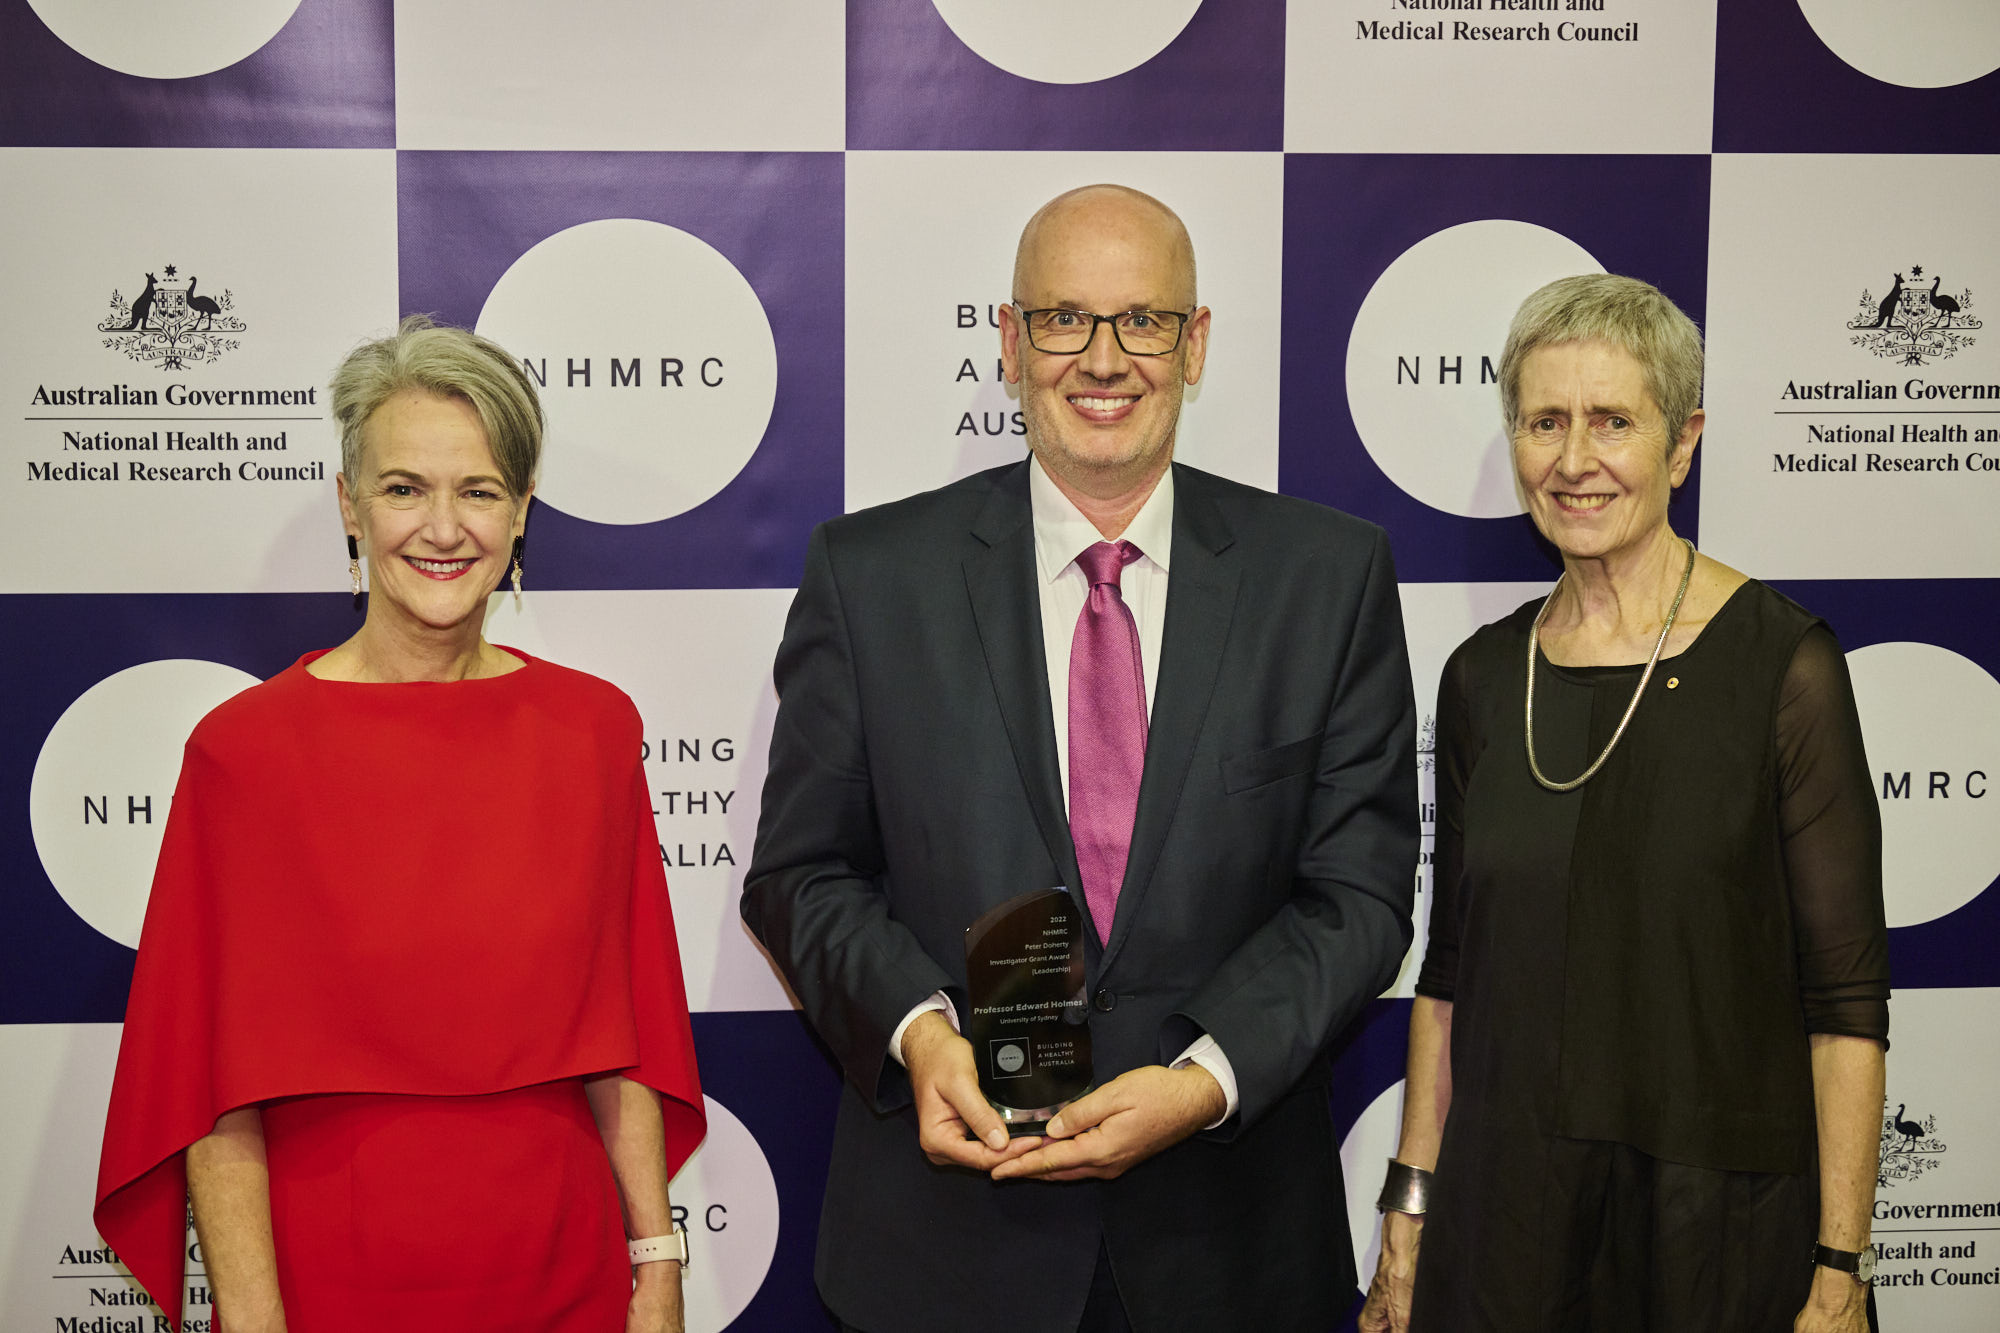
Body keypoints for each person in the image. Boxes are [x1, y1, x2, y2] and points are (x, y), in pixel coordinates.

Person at [743, 184, 1419, 1333]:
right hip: (948, 1251)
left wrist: (1203, 1079)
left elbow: (1355, 896)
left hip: (1229, 1246)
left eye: (1141, 321)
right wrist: (919, 1034)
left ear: (1193, 343)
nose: (1101, 360)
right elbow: (801, 873)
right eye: (1061, 318)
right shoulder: (871, 576)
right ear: (1007, 342)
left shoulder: (1325, 577)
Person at [94, 316, 706, 1333]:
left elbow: (625, 1036)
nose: (442, 526)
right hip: (330, 1287)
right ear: (349, 504)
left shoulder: (591, 732)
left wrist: (657, 1264)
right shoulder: (242, 755)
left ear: (520, 515)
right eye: (403, 488)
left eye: (479, 490)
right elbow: (213, 1096)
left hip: (565, 1276)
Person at [1358, 274, 1890, 1333]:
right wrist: (1409, 1209)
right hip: (1508, 1228)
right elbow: (1450, 974)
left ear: (1681, 443)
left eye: (1611, 421)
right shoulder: (1478, 677)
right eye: (1542, 421)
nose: (1572, 460)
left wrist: (1836, 1266)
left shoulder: (1781, 667)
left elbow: (1843, 1011)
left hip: (1719, 1232)